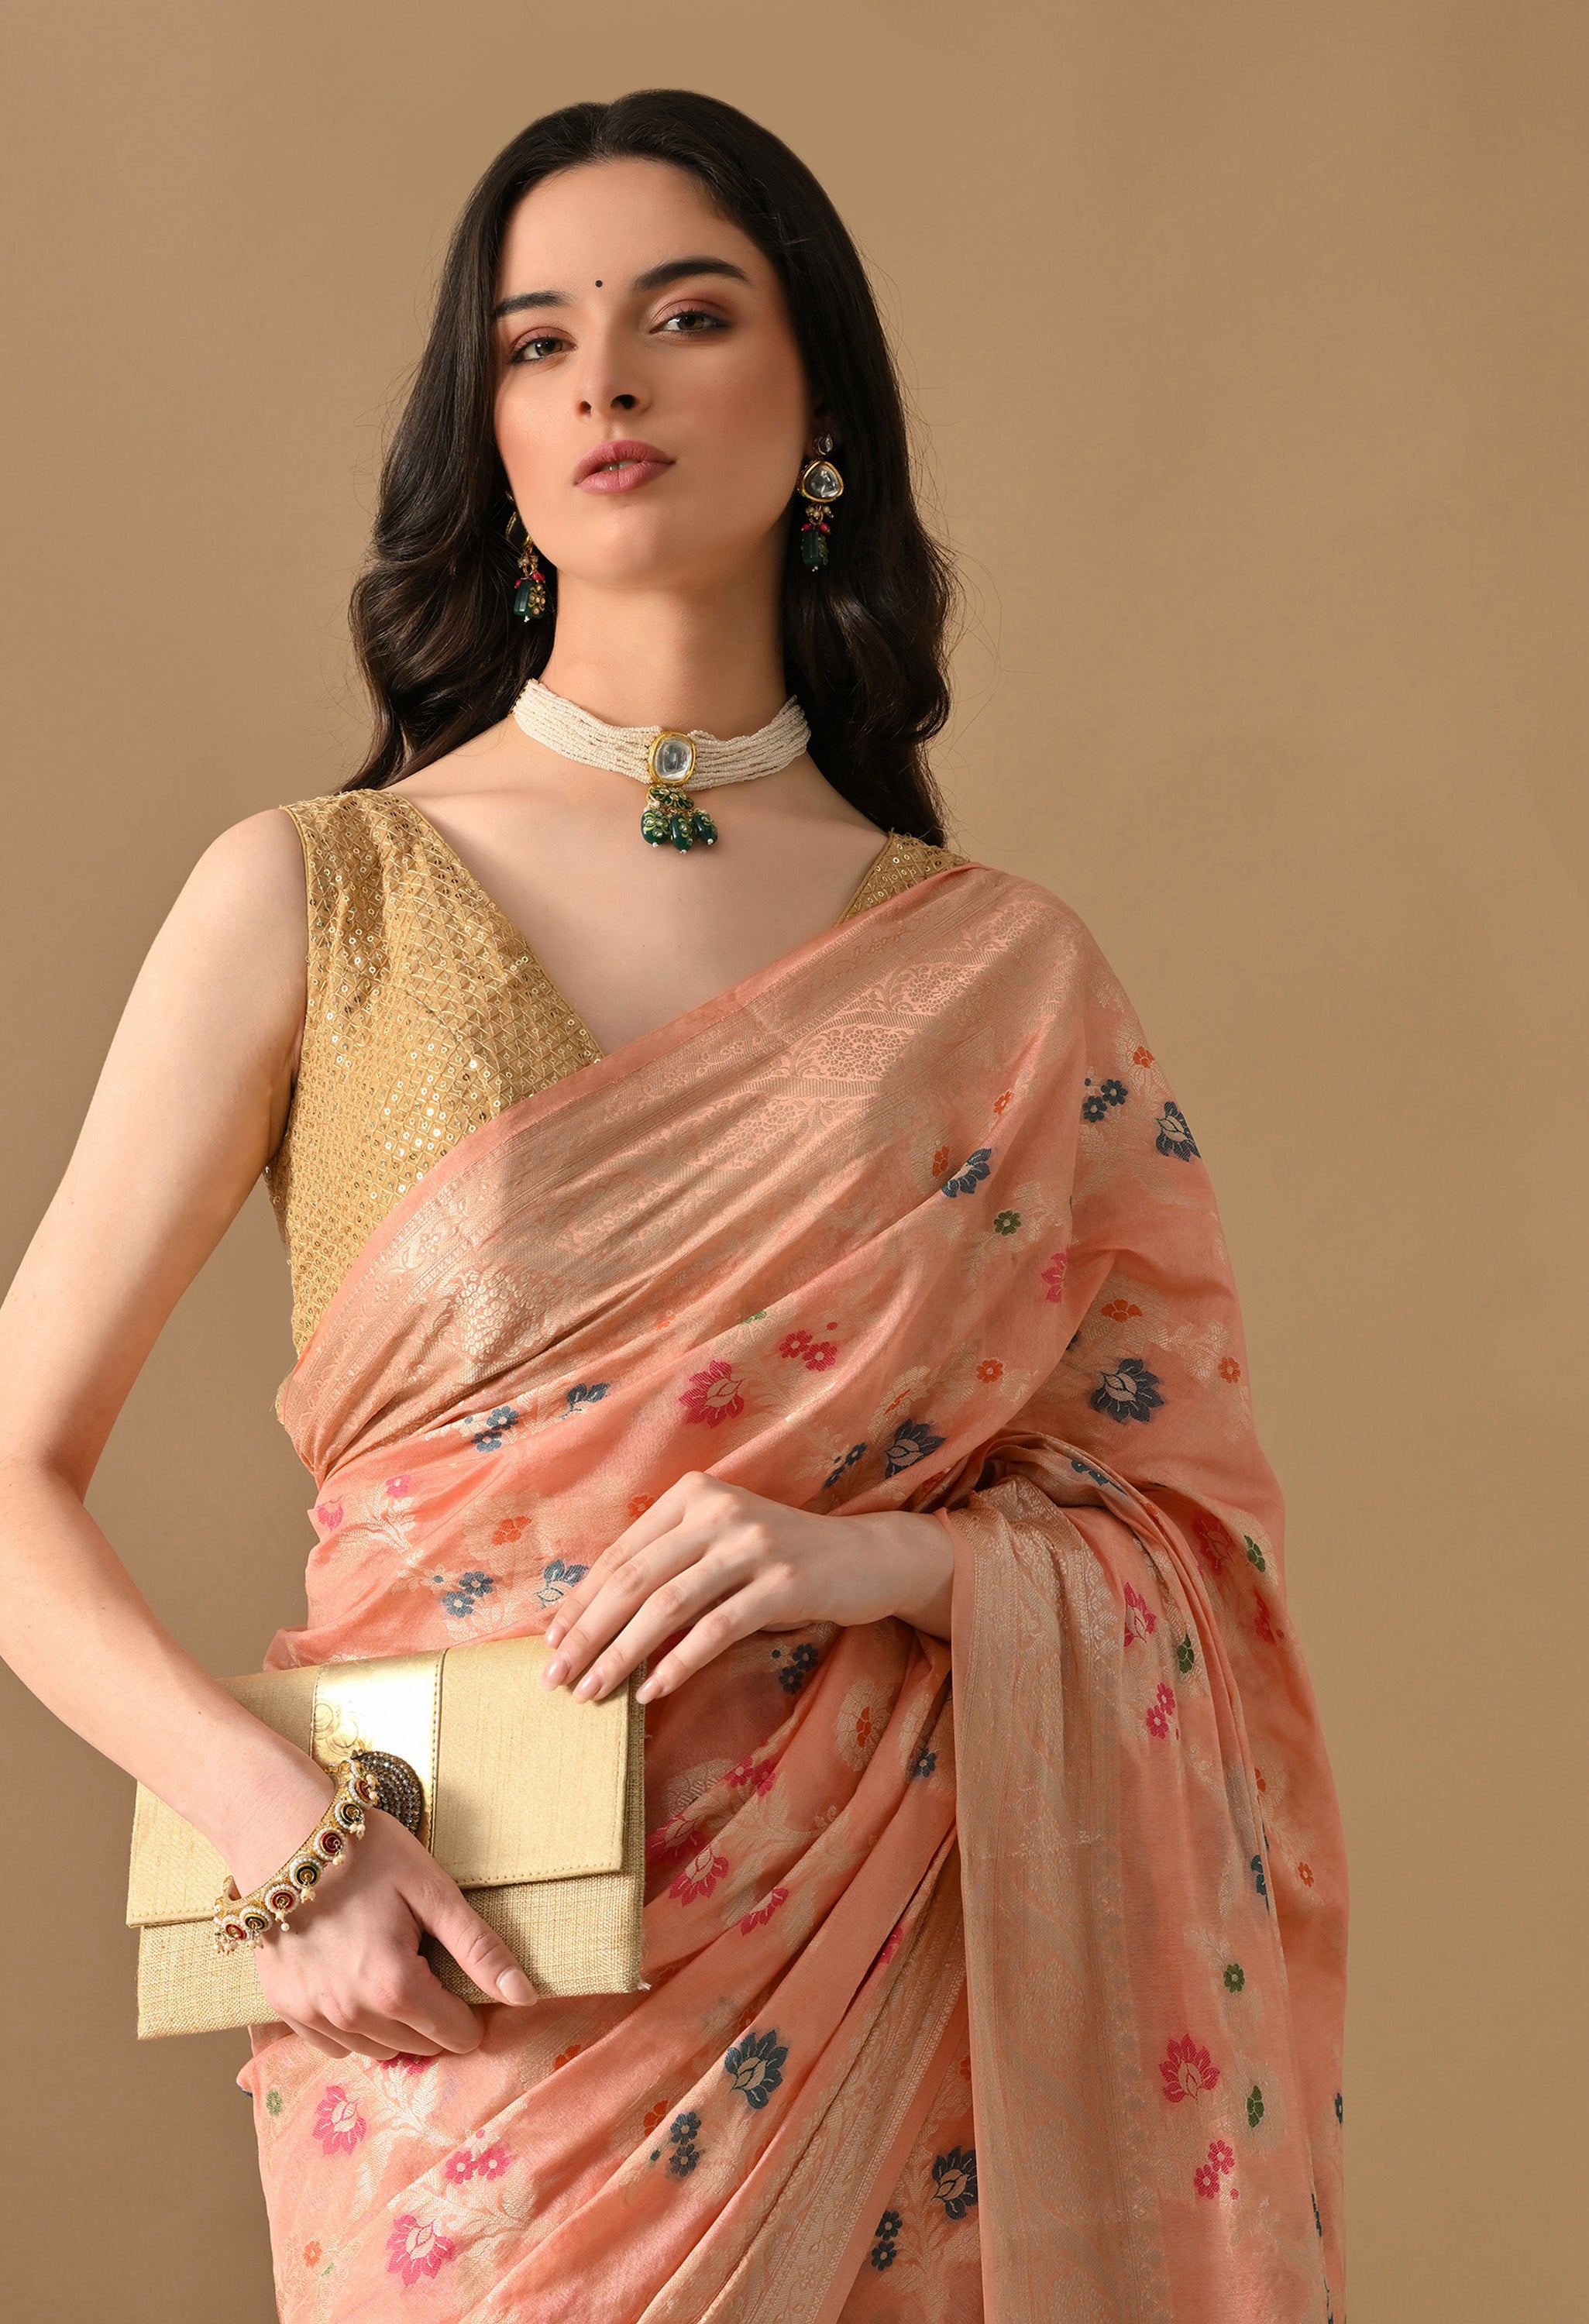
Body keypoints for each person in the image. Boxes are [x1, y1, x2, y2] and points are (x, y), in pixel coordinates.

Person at [0, 89, 1347, 2322]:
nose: (604, 380)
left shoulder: (1002, 978)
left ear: (820, 410)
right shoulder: (317, 899)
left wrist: (896, 1559)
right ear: (490, 439)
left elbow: (1185, 1548)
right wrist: (272, 1824)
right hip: (462, 2013)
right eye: (536, 342)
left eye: (687, 317)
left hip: (897, 1973)